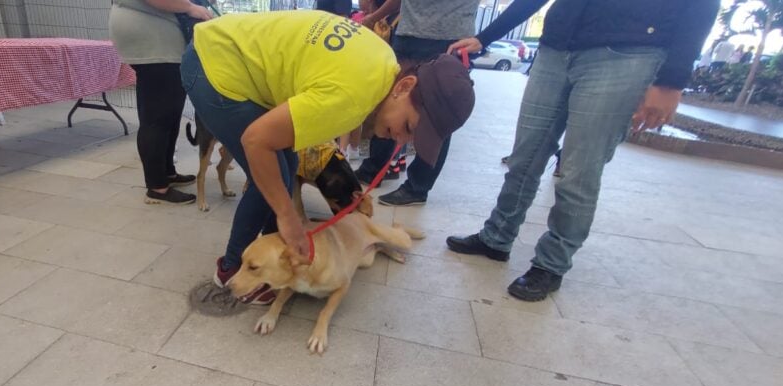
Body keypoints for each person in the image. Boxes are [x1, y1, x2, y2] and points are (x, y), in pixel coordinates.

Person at [182, 10, 474, 303]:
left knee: (288, 166)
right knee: (273, 179)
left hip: (230, 48)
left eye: (411, 139)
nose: (401, 140)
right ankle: (231, 269)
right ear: (404, 86)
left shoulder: (385, 63)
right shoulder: (350, 97)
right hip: (214, 64)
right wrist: (288, 216)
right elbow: (256, 141)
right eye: (409, 127)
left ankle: (278, 260)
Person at [445, 0, 719, 301]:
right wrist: (486, 36)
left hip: (629, 52)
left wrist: (672, 80)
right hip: (556, 48)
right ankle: (496, 237)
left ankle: (551, 264)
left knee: (578, 170)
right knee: (524, 156)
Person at [354, 0, 481, 207]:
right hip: (411, 32)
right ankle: (375, 168)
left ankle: (417, 186)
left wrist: (372, 17)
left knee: (434, 116)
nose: (403, 142)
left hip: (447, 39)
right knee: (396, 104)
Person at [108, 0, 212, 205]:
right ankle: (157, 187)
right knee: (157, 118)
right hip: (153, 42)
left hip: (158, 41)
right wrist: (191, 8)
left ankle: (167, 173)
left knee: (170, 114)